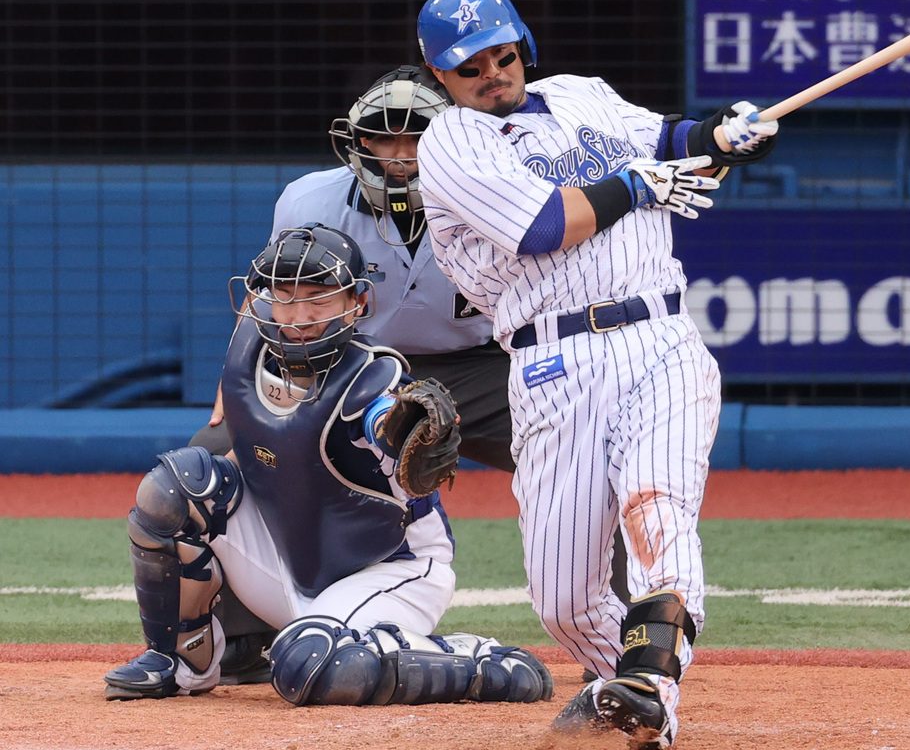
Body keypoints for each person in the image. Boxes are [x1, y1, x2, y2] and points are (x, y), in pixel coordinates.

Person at [413, 0, 780, 749]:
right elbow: (545, 224)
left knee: (658, 508)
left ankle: (648, 680)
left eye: (501, 55)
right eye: (468, 65)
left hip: (659, 339)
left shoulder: (582, 95)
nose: (491, 73)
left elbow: (671, 145)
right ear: (440, 76)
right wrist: (632, 184)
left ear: (522, 47)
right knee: (564, 600)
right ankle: (636, 689)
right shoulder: (451, 141)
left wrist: (725, 135)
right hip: (552, 363)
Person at [191, 67, 631, 683]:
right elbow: (274, 291)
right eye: (382, 137)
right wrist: (230, 393)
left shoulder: (503, 187)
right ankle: (240, 639)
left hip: (482, 367)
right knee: (215, 453)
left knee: (590, 455)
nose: (399, 156)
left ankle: (618, 639)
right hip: (344, 365)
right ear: (356, 140)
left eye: (415, 137)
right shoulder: (307, 199)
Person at [104, 224, 553, 707]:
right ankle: (183, 661)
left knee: (310, 665)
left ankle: (478, 665)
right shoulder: (249, 353)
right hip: (291, 563)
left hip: (387, 570)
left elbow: (388, 418)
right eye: (284, 295)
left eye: (318, 297)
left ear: (357, 303)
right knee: (176, 487)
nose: (299, 315)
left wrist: (407, 431)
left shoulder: (373, 379)